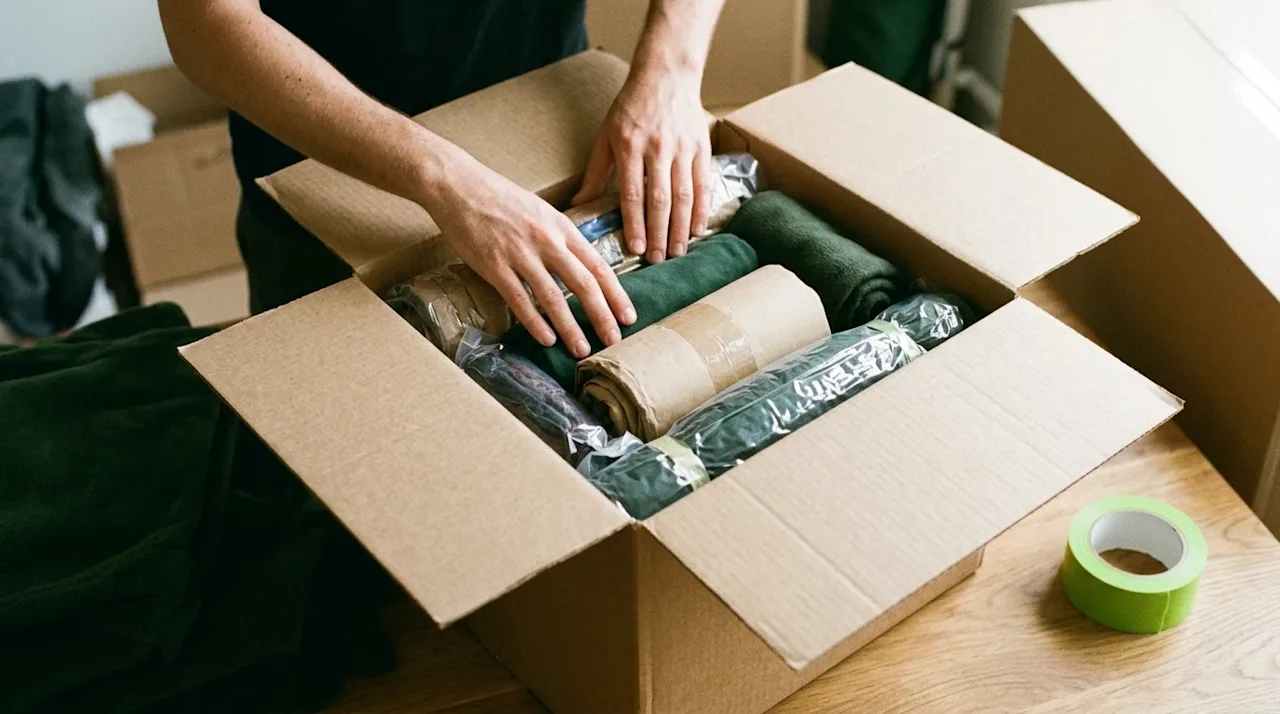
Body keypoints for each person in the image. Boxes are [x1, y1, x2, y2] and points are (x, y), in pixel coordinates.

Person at [158, 0, 726, 359]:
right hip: (326, 183)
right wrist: (446, 177)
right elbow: (206, 21)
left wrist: (670, 71)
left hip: (549, 125)